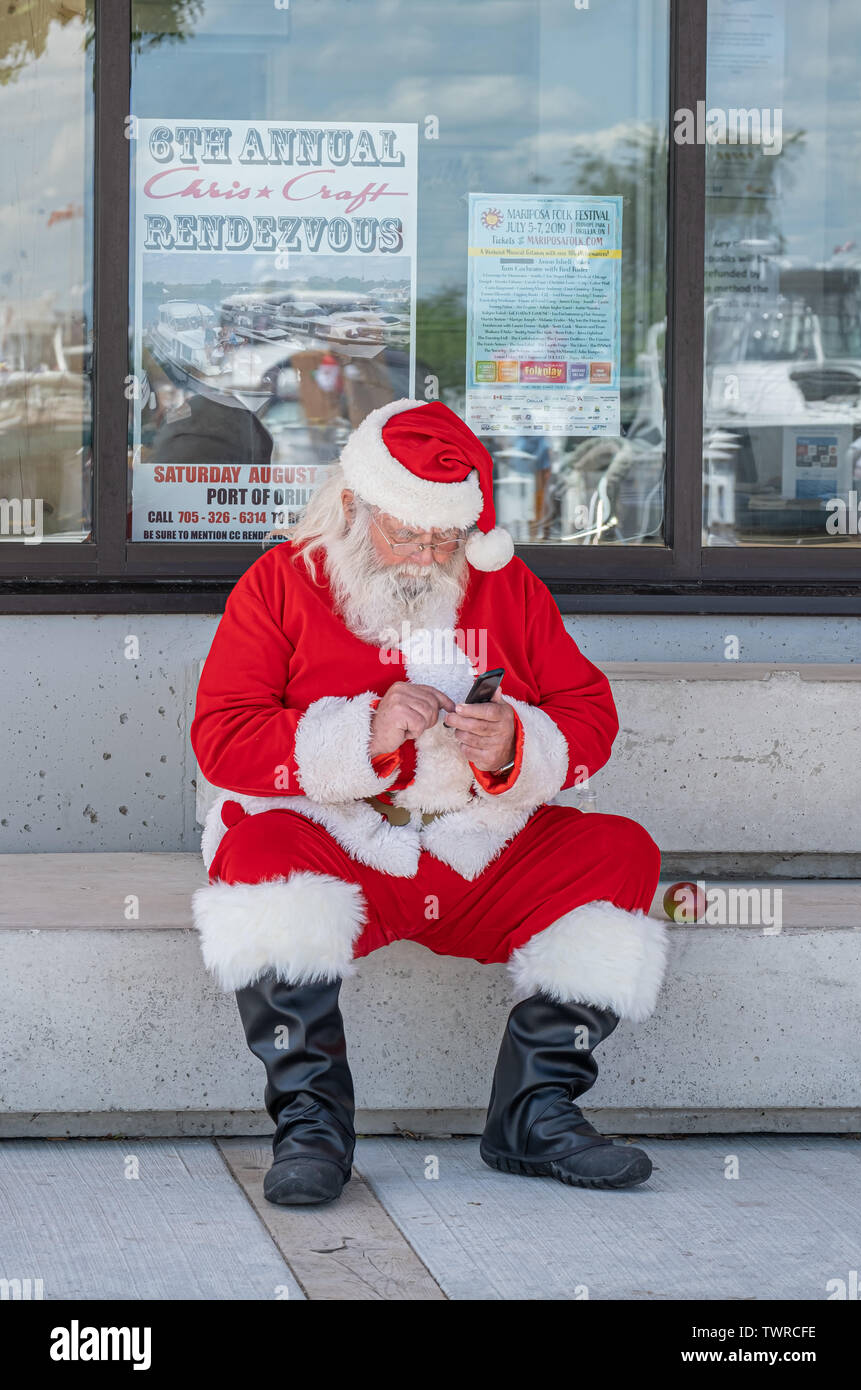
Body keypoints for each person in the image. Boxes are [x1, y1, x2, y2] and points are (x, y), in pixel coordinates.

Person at [190, 398, 668, 1206]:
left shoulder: (503, 583)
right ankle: (311, 1126)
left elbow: (591, 712)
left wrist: (518, 745)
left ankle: (535, 1113)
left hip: (478, 847)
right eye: (406, 533)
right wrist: (363, 738)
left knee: (620, 850)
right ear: (353, 506)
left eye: (443, 538)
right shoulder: (281, 582)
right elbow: (223, 736)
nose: (425, 556)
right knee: (259, 857)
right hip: (342, 841)